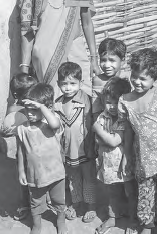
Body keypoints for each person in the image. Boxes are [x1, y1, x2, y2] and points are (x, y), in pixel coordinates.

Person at [17, 0, 100, 98]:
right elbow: (27, 31)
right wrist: (24, 69)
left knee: (83, 98)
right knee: (52, 100)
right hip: (45, 56)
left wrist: (94, 58)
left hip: (75, 51)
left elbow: (87, 24)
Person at [120, 48, 157, 234]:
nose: (137, 81)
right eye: (134, 76)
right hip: (143, 159)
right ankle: (147, 226)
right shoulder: (125, 101)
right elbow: (128, 131)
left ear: (156, 78)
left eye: (143, 78)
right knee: (145, 195)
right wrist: (126, 155)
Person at [16, 83, 66, 234]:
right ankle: (36, 225)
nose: (30, 113)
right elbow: (20, 152)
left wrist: (42, 107)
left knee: (59, 199)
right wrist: (21, 171)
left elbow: (55, 123)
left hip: (55, 172)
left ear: (47, 108)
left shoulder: (51, 123)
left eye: (34, 110)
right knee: (36, 202)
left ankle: (60, 221)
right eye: (27, 109)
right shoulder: (22, 129)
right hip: (35, 175)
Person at [54, 62, 97, 223]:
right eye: (64, 83)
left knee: (88, 177)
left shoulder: (87, 100)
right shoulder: (56, 104)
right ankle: (77, 203)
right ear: (58, 84)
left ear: (81, 82)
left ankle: (91, 206)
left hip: (85, 148)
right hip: (67, 150)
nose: (68, 87)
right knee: (73, 178)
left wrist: (92, 147)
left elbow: (91, 125)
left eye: (73, 83)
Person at [93, 77, 136, 234]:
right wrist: (101, 135)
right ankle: (114, 216)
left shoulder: (124, 119)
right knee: (112, 192)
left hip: (123, 164)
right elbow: (99, 141)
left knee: (130, 192)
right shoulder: (102, 117)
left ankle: (133, 219)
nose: (111, 107)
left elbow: (114, 141)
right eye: (108, 102)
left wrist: (97, 129)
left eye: (116, 102)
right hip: (108, 163)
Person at [1, 73, 38, 222]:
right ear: (17, 94)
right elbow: (7, 129)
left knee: (40, 177)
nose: (35, 95)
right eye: (31, 92)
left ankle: (43, 201)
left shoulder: (37, 105)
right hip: (23, 152)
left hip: (39, 150)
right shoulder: (13, 110)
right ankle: (25, 204)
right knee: (24, 179)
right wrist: (7, 130)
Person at [92, 38, 127, 121]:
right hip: (106, 123)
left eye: (112, 60)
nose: (107, 65)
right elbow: (95, 109)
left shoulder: (127, 78)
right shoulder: (98, 81)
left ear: (123, 61)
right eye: (103, 60)